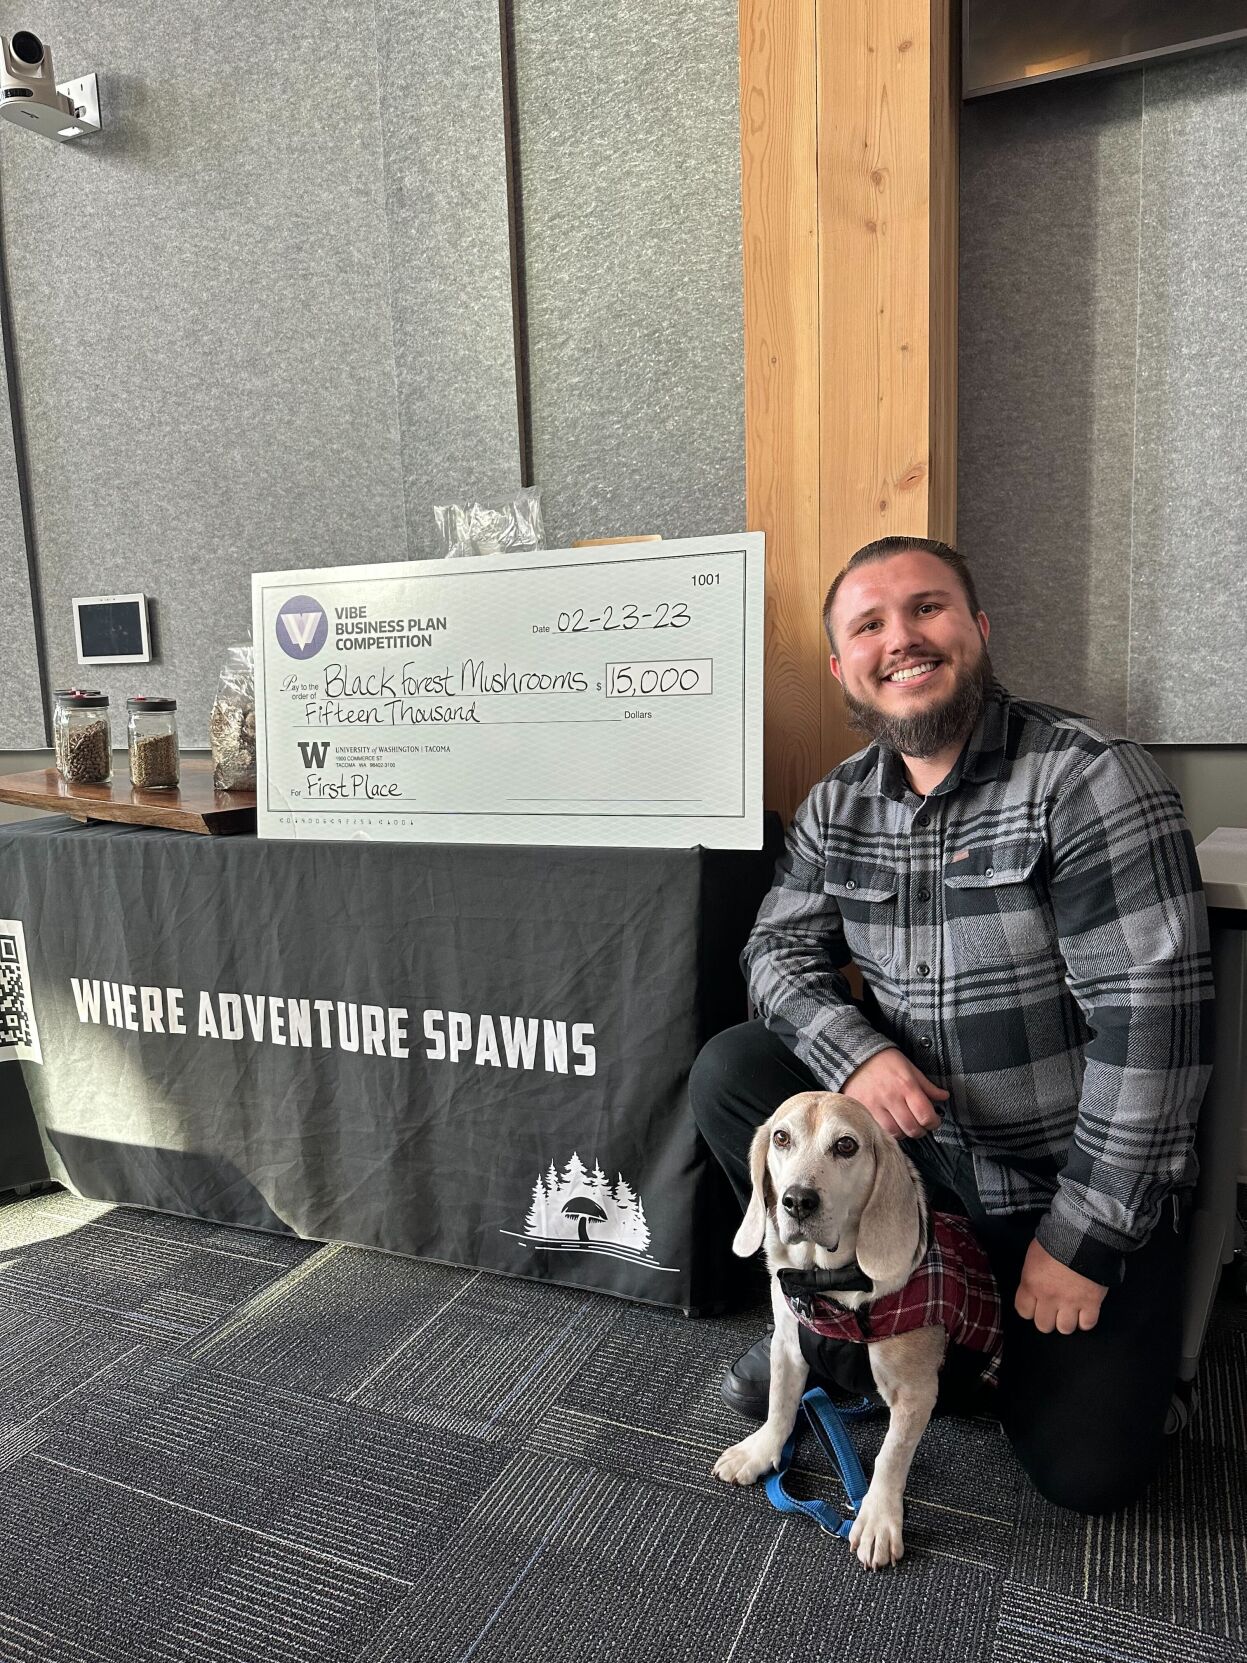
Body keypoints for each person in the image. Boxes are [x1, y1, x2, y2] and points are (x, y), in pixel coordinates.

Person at [690, 535, 1214, 1514]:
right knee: (733, 1070)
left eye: (925, 610)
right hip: (910, 1173)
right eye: (868, 626)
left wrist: (1083, 1242)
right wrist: (861, 1053)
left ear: (975, 630)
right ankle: (839, 1310)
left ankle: (985, 1336)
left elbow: (1153, 1033)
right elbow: (774, 956)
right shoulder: (836, 803)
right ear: (844, 667)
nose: (901, 639)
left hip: (1058, 1180)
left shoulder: (1089, 779)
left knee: (1084, 1475)